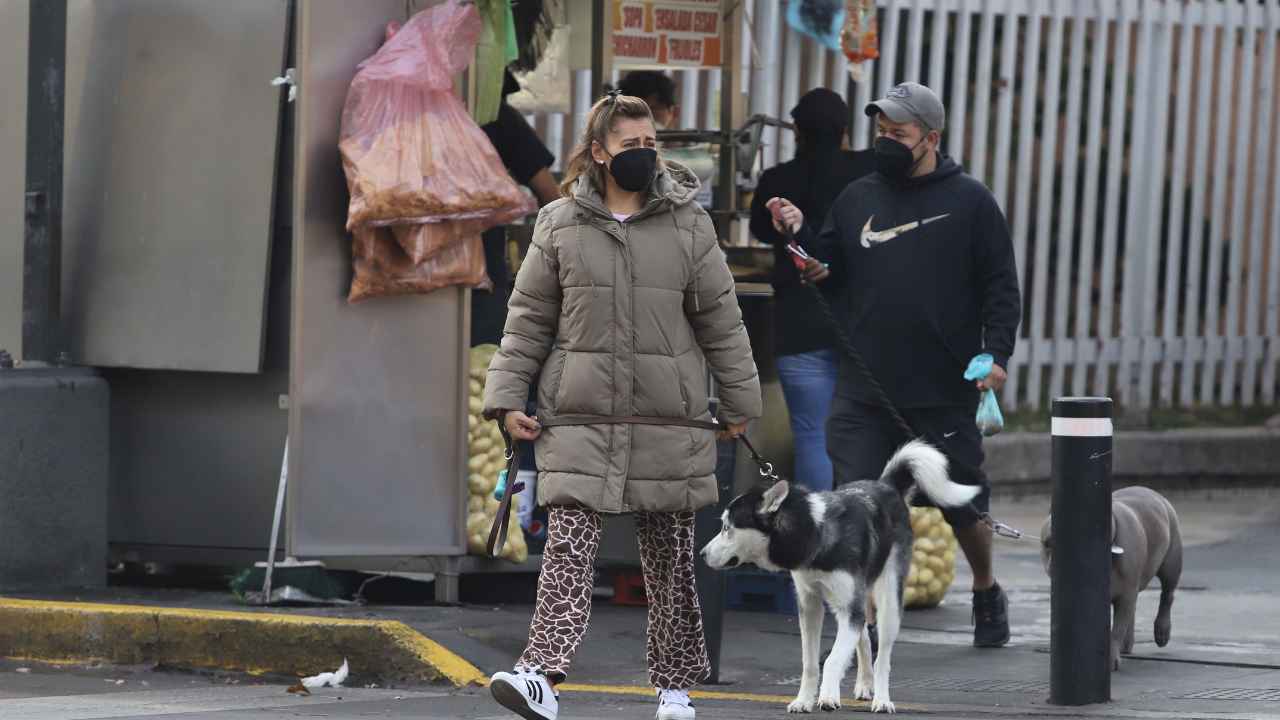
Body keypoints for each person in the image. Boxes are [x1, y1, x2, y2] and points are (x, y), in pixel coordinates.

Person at [483, 92, 761, 720]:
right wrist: (506, 400)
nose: (644, 153)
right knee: (566, 552)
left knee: (670, 564)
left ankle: (674, 689)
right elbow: (527, 322)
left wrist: (739, 402)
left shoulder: (689, 223)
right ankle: (539, 677)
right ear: (600, 152)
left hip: (668, 417)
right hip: (578, 416)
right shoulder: (558, 223)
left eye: (650, 143)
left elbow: (721, 320)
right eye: (630, 144)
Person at [767, 82, 1021, 648]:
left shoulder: (971, 201)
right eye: (880, 130)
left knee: (964, 502)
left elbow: (1001, 286)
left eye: (898, 133)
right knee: (855, 506)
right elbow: (828, 267)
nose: (886, 141)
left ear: (931, 138)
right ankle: (861, 631)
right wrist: (800, 235)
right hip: (863, 388)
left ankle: (985, 586)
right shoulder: (858, 196)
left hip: (942, 388)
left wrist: (998, 355)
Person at [749, 88, 874, 493]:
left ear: (797, 131)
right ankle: (862, 528)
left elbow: (760, 229)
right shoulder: (870, 171)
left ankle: (817, 533)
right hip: (860, 321)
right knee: (866, 438)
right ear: (845, 130)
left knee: (812, 439)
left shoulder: (777, 181)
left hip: (800, 322)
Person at [473, 71, 561, 346]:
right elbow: (550, 196)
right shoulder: (500, 116)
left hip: (419, 272)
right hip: (484, 280)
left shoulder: (416, 111)